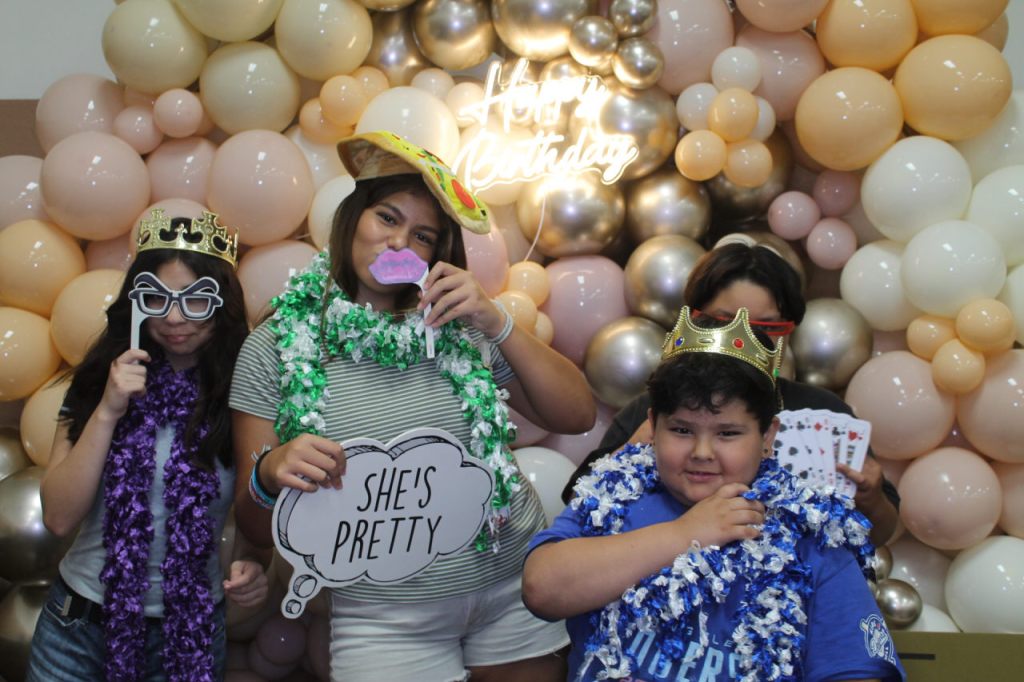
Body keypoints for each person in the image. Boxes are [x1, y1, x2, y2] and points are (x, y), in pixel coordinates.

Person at [229, 131, 596, 682]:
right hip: (384, 614)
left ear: (434, 254)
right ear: (352, 218)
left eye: (422, 235)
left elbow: (577, 415)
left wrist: (495, 320)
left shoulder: (461, 326)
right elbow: (255, 527)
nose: (399, 242)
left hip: (509, 585)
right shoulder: (277, 345)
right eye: (387, 218)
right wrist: (270, 471)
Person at [524, 307, 906, 682]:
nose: (702, 452)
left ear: (768, 436)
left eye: (727, 433)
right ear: (653, 425)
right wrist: (686, 534)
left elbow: (856, 671)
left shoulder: (810, 532)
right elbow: (542, 589)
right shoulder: (613, 497)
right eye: (682, 430)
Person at [27, 210, 269, 682]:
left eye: (195, 300)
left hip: (190, 635)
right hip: (78, 630)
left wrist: (255, 565)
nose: (175, 318)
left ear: (221, 304)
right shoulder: (97, 382)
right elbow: (58, 517)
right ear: (136, 302)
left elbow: (255, 508)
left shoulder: (244, 395)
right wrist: (108, 410)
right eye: (157, 298)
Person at [563, 242, 899, 546]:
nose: (744, 338)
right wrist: (629, 450)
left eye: (765, 329)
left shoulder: (824, 411)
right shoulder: (656, 409)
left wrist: (871, 499)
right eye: (725, 321)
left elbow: (878, 534)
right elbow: (579, 505)